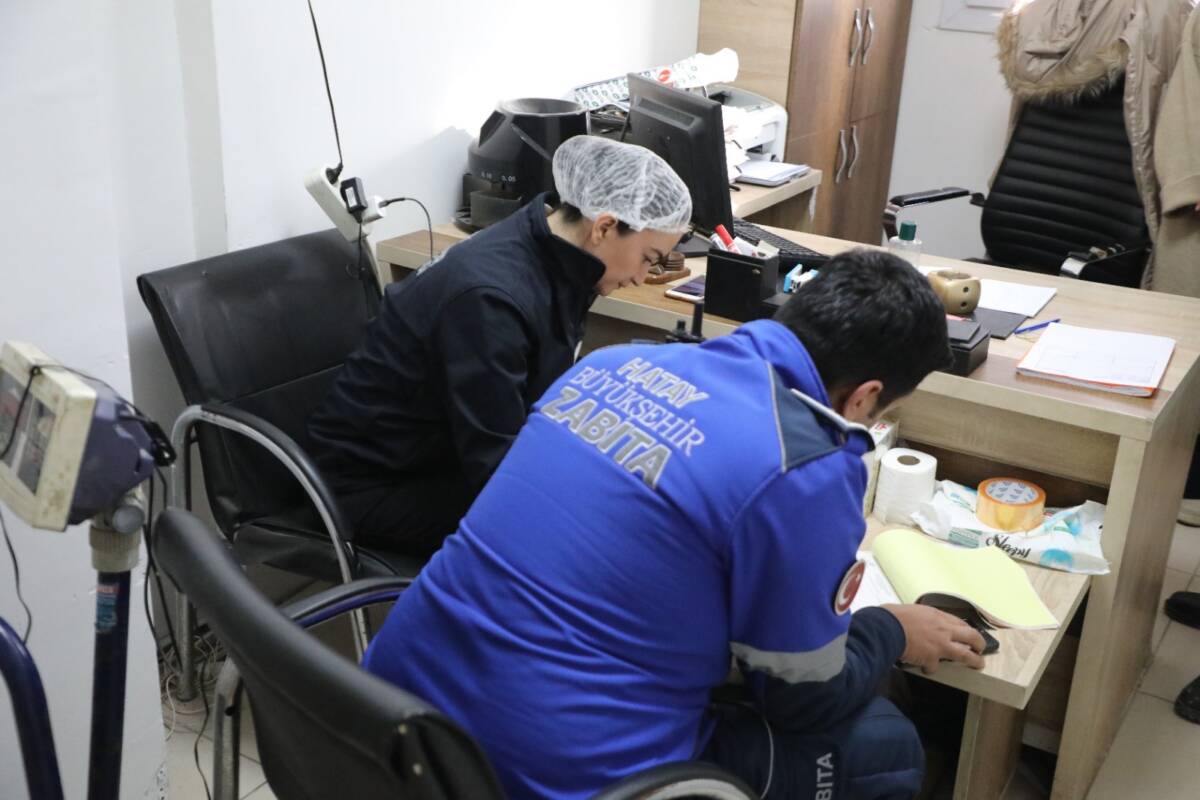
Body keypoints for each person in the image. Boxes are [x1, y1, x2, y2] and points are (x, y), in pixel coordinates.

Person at [363, 249, 988, 799]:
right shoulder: (805, 465)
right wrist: (891, 631)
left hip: (389, 718)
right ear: (864, 398)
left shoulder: (611, 363)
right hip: (555, 774)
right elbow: (803, 698)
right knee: (885, 747)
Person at [308, 136, 692, 555]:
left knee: (609, 503)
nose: (642, 277)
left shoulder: (552, 250)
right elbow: (495, 467)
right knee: (596, 538)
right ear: (603, 227)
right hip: (376, 487)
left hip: (444, 457)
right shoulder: (492, 299)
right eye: (649, 258)